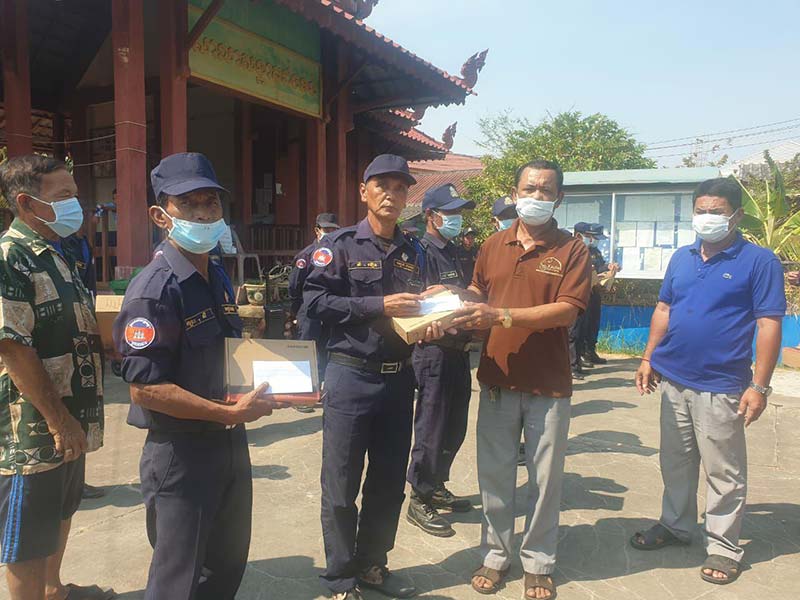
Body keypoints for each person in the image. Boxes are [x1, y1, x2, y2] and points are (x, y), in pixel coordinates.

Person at [113, 153, 280, 600]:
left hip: (228, 442)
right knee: (179, 578)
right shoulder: (154, 290)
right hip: (181, 453)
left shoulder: (216, 274)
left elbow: (223, 352)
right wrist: (227, 413)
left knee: (226, 564)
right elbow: (145, 389)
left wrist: (274, 380)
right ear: (160, 215)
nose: (204, 214)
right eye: (188, 203)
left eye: (211, 202)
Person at [304, 154, 447, 600]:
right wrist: (378, 305)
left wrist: (433, 317)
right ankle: (340, 577)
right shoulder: (340, 246)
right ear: (363, 191)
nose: (392, 194)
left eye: (400, 187)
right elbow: (313, 303)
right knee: (341, 484)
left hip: (399, 379)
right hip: (350, 376)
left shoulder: (416, 251)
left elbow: (418, 308)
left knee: (387, 482)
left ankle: (372, 562)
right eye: (382, 185)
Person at [632, 177, 786, 586]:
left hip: (722, 384)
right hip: (673, 380)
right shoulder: (682, 258)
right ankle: (676, 525)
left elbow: (769, 323)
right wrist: (648, 357)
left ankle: (723, 547)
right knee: (676, 462)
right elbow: (664, 308)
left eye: (716, 211)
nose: (706, 218)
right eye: (701, 210)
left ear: (737, 215)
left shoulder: (759, 262)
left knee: (723, 471)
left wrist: (760, 386)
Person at [450, 159, 591, 600]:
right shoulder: (493, 244)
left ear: (558, 199)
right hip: (498, 376)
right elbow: (478, 293)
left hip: (548, 382)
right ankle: (495, 555)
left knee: (545, 479)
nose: (536, 196)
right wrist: (450, 300)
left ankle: (539, 561)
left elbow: (566, 311)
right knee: (493, 476)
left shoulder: (572, 250)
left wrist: (501, 316)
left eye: (546, 190)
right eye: (529, 188)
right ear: (514, 193)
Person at [0, 156, 112, 600]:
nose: (75, 205)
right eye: (64, 196)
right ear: (27, 203)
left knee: (62, 509)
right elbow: (12, 346)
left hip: (70, 414)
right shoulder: (11, 256)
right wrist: (58, 419)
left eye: (75, 195)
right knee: (28, 535)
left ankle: (53, 590)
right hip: (33, 425)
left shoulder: (56, 253)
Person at [406, 184, 475, 538]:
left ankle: (436, 484)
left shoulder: (455, 252)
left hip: (459, 350)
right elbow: (417, 302)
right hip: (434, 351)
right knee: (431, 427)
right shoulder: (420, 252)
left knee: (454, 426)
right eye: (450, 212)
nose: (456, 218)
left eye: (458, 212)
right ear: (430, 216)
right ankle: (419, 497)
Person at [63, 204, 107, 501]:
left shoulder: (82, 244)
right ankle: (67, 483)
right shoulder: (59, 245)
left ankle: (77, 482)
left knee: (82, 412)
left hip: (84, 334)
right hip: (62, 340)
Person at [284, 213, 341, 413]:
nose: (330, 233)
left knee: (326, 351)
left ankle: (318, 392)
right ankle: (300, 396)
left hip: (330, 311)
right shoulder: (306, 255)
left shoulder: (339, 255)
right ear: (317, 230)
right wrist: (294, 312)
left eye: (334, 230)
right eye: (327, 229)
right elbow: (295, 286)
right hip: (308, 311)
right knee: (305, 352)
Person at [568, 222, 619, 379]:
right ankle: (572, 366)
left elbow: (598, 268)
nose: (593, 241)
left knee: (587, 327)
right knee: (574, 332)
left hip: (591, 291)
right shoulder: (571, 250)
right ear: (580, 236)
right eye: (590, 237)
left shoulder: (592, 251)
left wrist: (608, 269)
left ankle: (580, 360)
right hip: (576, 294)